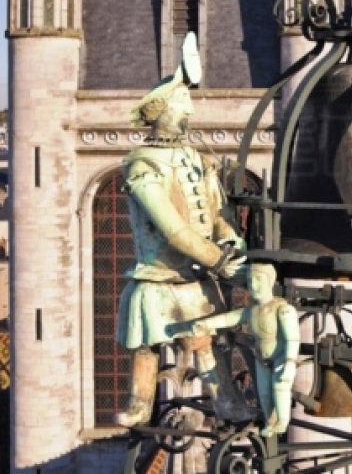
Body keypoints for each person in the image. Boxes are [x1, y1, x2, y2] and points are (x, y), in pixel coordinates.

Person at [114, 33, 251, 427]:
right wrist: (222, 262)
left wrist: (227, 235)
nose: (189, 115)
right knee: (146, 346)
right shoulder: (141, 165)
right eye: (183, 108)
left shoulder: (193, 156)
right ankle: (140, 404)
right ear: (163, 113)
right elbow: (172, 229)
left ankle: (226, 400)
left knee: (206, 343)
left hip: (195, 276)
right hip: (158, 278)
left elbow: (217, 209)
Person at [188, 263, 300, 437]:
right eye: (250, 280)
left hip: (280, 359)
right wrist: (206, 323)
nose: (254, 285)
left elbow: (292, 339)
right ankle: (270, 422)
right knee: (264, 394)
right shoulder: (251, 310)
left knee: (280, 387)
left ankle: (282, 422)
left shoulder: (283, 309)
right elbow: (229, 318)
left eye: (258, 279)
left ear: (270, 281)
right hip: (261, 359)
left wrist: (290, 362)